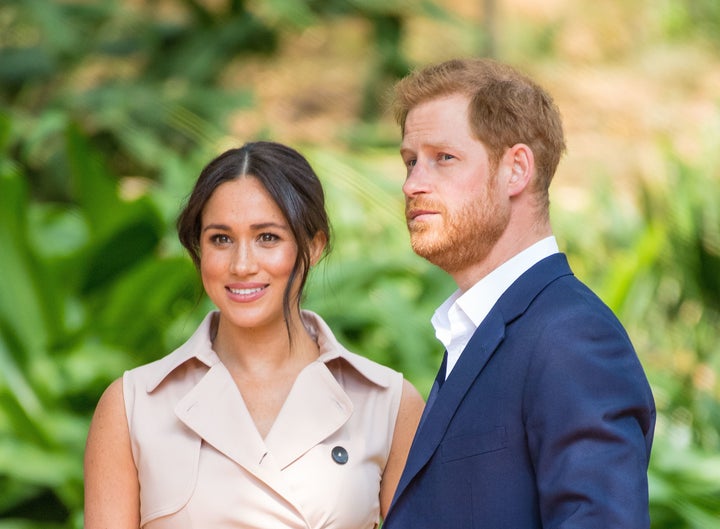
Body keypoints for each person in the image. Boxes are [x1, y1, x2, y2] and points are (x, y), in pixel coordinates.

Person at [84, 141, 425, 529]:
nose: (242, 265)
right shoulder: (132, 406)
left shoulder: (388, 403)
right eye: (221, 239)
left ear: (313, 247)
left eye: (267, 237)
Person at [382, 58, 656, 528]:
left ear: (516, 169)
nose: (413, 184)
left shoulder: (572, 338)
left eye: (443, 158)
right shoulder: (480, 330)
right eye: (410, 161)